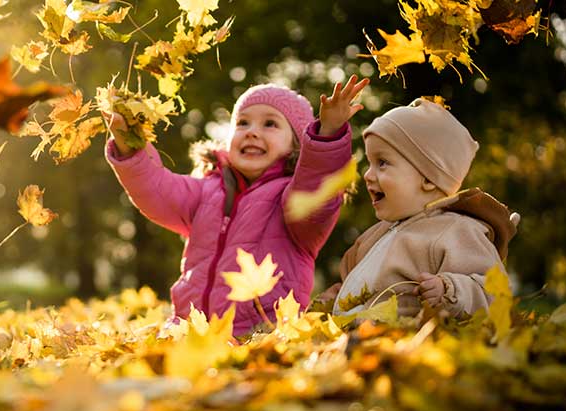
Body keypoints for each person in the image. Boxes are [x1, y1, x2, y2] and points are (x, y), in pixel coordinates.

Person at [104, 76, 369, 335]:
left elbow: (316, 188)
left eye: (270, 124)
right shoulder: (206, 190)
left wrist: (327, 135)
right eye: (243, 123)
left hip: (259, 335)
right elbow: (157, 189)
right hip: (189, 331)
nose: (252, 131)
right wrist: (130, 145)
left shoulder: (292, 198)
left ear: (296, 145)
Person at [319, 98, 519, 318]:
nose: (367, 174)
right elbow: (357, 285)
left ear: (428, 179)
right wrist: (335, 298)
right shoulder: (374, 236)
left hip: (407, 344)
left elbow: (495, 291)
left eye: (382, 162)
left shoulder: (457, 231)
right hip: (361, 344)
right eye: (369, 163)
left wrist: (449, 290)